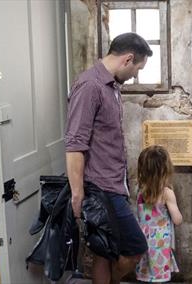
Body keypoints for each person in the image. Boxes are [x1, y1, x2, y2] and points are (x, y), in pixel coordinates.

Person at [65, 32, 153, 284]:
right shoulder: (90, 86)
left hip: (113, 183)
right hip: (101, 188)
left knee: (103, 252)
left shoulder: (111, 86)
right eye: (137, 68)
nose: (136, 75)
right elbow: (74, 144)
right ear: (128, 59)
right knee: (136, 248)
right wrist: (78, 193)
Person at [135, 145, 182, 282]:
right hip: (160, 243)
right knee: (159, 277)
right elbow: (177, 220)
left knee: (145, 275)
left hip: (142, 240)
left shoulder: (139, 191)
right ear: (165, 169)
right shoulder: (167, 193)